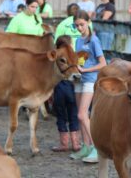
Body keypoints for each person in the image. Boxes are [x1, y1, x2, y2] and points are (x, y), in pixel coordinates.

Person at [69, 10, 106, 163]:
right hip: (79, 79)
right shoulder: (78, 40)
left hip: (90, 79)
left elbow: (103, 63)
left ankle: (98, 149)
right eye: (76, 25)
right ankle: (86, 147)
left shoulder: (94, 40)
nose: (79, 28)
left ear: (88, 22)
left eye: (82, 24)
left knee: (82, 115)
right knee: (81, 116)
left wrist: (86, 70)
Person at [51, 35, 81, 152]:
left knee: (61, 116)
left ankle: (64, 144)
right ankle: (75, 143)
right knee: (73, 114)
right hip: (72, 87)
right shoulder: (72, 55)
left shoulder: (56, 55)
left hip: (58, 87)